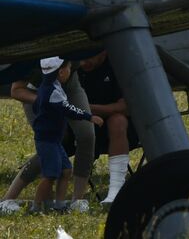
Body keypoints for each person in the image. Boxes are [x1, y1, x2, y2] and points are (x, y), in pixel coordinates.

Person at [2, 60, 98, 213]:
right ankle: (14, 201)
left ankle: (74, 202)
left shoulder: (71, 59)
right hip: (36, 95)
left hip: (68, 88)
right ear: (60, 71)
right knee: (49, 148)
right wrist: (44, 101)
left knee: (85, 137)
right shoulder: (31, 64)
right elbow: (16, 90)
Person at [31, 58, 103, 212]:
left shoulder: (48, 87)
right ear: (61, 72)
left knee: (65, 171)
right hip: (47, 140)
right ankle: (36, 206)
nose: (70, 71)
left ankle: (59, 205)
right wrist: (89, 117)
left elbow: (37, 107)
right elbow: (70, 109)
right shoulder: (53, 92)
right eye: (70, 68)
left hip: (53, 140)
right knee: (50, 175)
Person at [76, 50, 136, 206]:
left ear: (103, 52)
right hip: (80, 127)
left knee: (117, 121)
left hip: (119, 131)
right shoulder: (71, 67)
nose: (83, 63)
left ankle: (116, 191)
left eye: (89, 56)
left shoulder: (118, 65)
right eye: (79, 58)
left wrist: (86, 108)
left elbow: (125, 107)